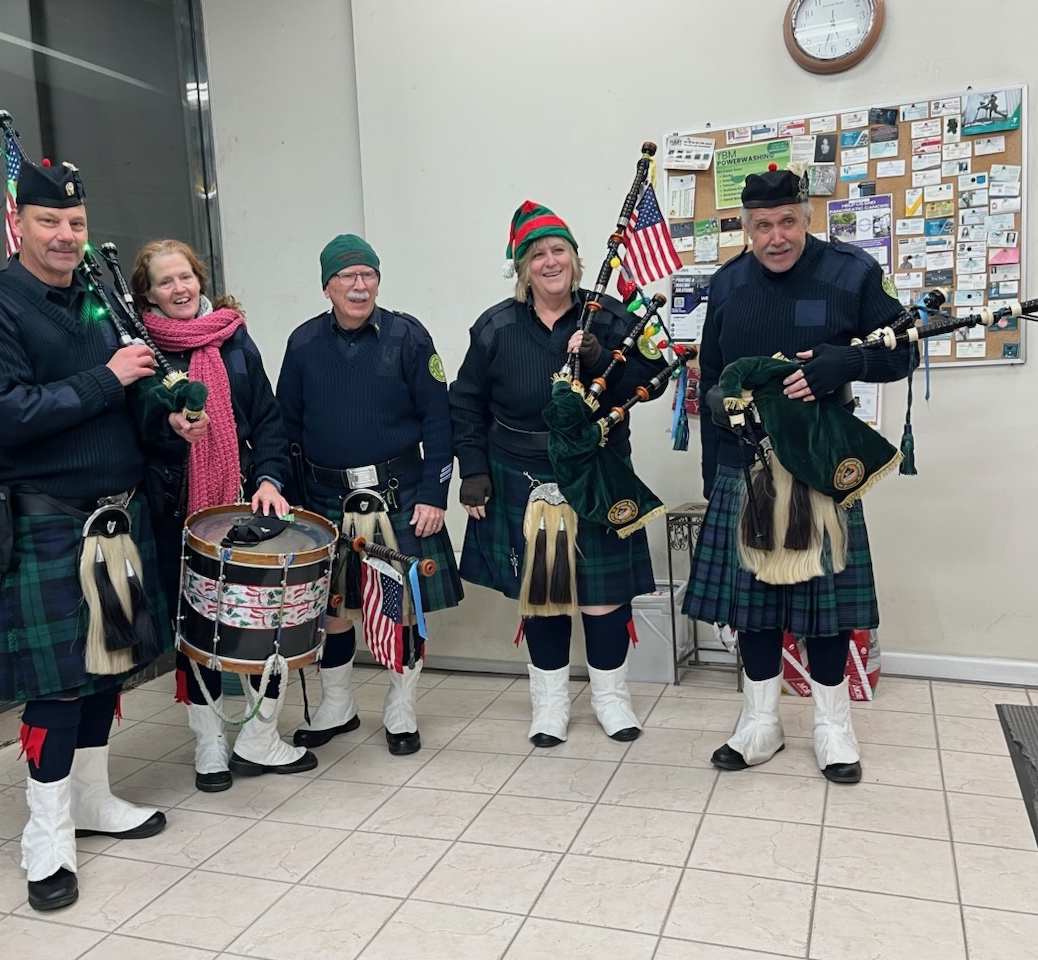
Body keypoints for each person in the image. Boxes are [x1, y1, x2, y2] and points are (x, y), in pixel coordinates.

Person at [0, 160, 169, 912]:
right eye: (49, 221)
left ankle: (94, 800)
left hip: (117, 514)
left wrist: (166, 416)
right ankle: (45, 835)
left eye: (75, 223)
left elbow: (125, 397)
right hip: (48, 518)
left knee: (103, 671)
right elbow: (11, 412)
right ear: (18, 225)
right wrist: (108, 378)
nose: (65, 235)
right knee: (54, 686)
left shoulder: (95, 299)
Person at [683, 166, 916, 784]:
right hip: (747, 463)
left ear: (806, 217)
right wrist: (715, 467)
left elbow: (904, 350)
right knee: (756, 605)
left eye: (787, 221)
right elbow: (709, 376)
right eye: (762, 226)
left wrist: (848, 360)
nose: (776, 236)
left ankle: (833, 726)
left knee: (826, 607)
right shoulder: (729, 285)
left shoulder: (851, 273)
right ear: (746, 227)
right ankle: (760, 723)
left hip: (819, 461)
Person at [449, 201, 667, 747]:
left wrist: (599, 358)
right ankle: (548, 707)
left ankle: (611, 700)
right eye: (539, 254)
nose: (551, 262)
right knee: (541, 594)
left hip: (597, 468)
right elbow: (465, 402)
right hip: (519, 473)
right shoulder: (495, 326)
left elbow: (653, 378)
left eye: (560, 250)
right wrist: (472, 470)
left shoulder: (610, 317)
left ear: (575, 256)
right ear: (523, 268)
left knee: (603, 595)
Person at [129, 239, 316, 793]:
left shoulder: (233, 337)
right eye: (165, 282)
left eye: (185, 276)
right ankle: (209, 744)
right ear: (148, 293)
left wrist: (269, 478)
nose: (179, 289)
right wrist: (168, 429)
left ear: (199, 277)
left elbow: (268, 418)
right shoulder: (141, 350)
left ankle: (260, 739)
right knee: (196, 631)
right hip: (177, 515)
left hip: (243, 508)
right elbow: (134, 427)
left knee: (266, 622)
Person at [275, 234, 463, 755]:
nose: (359, 286)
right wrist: (287, 499)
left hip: (399, 495)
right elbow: (284, 424)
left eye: (368, 275)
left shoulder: (408, 337)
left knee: (398, 607)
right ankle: (339, 706)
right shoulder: (303, 344)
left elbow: (438, 420)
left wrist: (435, 494)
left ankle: (401, 708)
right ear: (327, 286)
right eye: (347, 276)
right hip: (322, 497)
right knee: (331, 608)